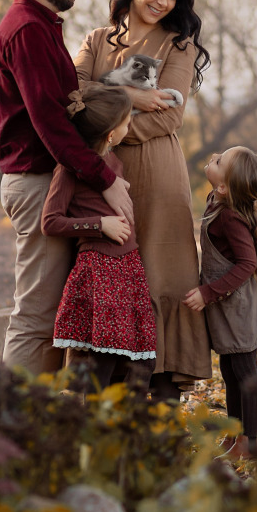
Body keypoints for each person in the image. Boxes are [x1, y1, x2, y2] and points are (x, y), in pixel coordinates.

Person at [0, 0, 134, 374]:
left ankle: (43, 426)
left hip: (49, 182)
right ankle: (10, 426)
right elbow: (50, 123)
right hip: (36, 186)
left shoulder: (42, 25)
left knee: (56, 318)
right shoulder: (27, 31)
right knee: (36, 317)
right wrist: (105, 180)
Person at [73, 0, 210, 400]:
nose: (163, 2)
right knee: (109, 273)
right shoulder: (96, 41)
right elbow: (70, 95)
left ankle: (162, 395)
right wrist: (131, 95)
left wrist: (107, 120)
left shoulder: (178, 44)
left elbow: (169, 117)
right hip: (102, 174)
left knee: (161, 275)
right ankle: (105, 394)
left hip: (159, 176)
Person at [40, 84, 155, 389]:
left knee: (144, 360)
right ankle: (94, 430)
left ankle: (128, 427)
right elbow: (51, 222)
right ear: (110, 134)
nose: (130, 125)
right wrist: (99, 225)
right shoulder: (69, 169)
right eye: (127, 121)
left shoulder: (115, 162)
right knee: (102, 362)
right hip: (100, 270)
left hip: (128, 269)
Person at [182, 146, 257, 459]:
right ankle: (236, 436)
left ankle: (250, 445)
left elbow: (247, 263)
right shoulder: (218, 201)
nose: (214, 157)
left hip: (240, 307)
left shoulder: (230, 217)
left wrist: (207, 293)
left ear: (224, 186)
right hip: (228, 306)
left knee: (245, 372)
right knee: (230, 369)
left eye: (220, 160)